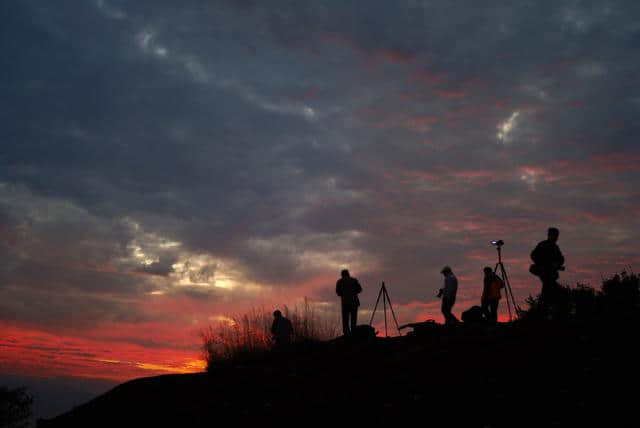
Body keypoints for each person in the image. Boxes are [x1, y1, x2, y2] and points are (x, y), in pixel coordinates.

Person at [530, 227, 565, 316]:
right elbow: (534, 255)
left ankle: (543, 313)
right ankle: (541, 314)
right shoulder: (543, 245)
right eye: (554, 235)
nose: (556, 237)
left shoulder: (555, 247)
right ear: (550, 235)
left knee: (549, 292)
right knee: (549, 292)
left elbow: (560, 259)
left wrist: (556, 264)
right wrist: (542, 264)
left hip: (550, 273)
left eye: (557, 236)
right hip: (545, 272)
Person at [336, 269, 362, 336]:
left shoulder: (340, 282)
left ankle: (346, 333)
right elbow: (360, 289)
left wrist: (344, 294)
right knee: (353, 319)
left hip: (345, 303)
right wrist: (353, 292)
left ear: (342, 275)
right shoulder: (354, 280)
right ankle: (353, 332)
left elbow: (338, 292)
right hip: (354, 303)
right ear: (348, 274)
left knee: (345, 319)